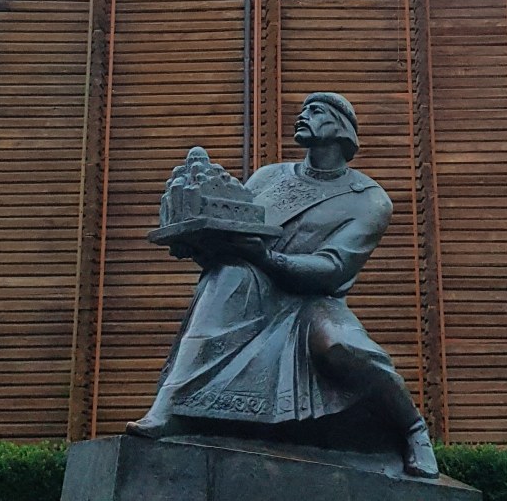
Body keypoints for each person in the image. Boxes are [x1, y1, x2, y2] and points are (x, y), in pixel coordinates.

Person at [127, 92, 439, 479]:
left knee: (342, 346)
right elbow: (237, 232)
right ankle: (170, 405)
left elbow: (333, 267)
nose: (303, 115)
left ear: (342, 127)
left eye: (316, 110)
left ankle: (412, 429)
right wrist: (200, 244)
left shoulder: (369, 200)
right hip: (252, 287)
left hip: (312, 301)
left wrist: (266, 258)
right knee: (227, 275)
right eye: (304, 109)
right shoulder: (269, 177)